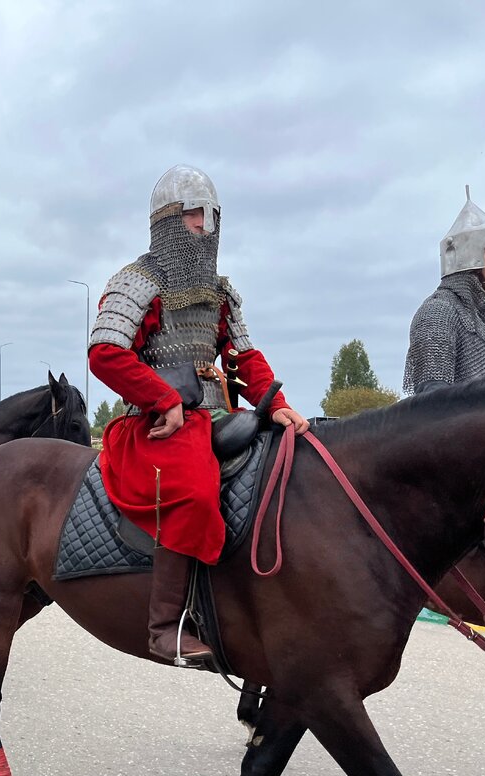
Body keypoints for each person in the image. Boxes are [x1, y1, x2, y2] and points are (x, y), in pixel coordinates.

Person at [88, 164, 308, 665]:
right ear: (167, 222)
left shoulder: (222, 291)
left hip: (217, 414)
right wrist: (161, 397)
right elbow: (105, 353)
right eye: (193, 216)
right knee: (190, 488)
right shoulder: (138, 281)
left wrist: (276, 405)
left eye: (211, 217)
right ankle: (165, 627)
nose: (204, 227)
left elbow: (244, 357)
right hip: (154, 421)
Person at [403, 187, 485, 395]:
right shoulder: (437, 313)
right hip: (453, 426)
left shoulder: (476, 316)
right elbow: (433, 398)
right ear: (468, 255)